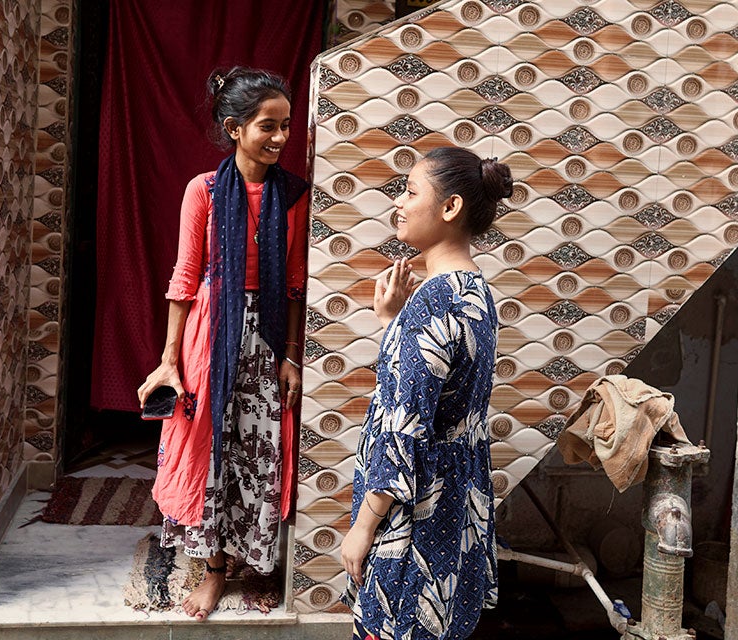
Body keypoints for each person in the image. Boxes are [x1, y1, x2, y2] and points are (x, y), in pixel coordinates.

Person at [138, 66, 308, 621]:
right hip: (211, 334)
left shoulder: (294, 195)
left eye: (285, 126)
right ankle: (213, 571)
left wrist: (288, 355)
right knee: (210, 452)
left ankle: (256, 563)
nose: (281, 138)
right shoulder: (204, 191)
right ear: (235, 129)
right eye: (268, 126)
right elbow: (184, 279)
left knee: (260, 451)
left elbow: (296, 283)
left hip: (266, 337)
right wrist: (169, 361)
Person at [340, 147, 514, 639]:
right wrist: (392, 323)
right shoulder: (474, 290)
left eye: (411, 191)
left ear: (450, 208)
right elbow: (444, 394)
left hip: (414, 524)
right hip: (453, 512)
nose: (399, 202)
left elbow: (406, 431)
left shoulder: (433, 304)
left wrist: (363, 529)